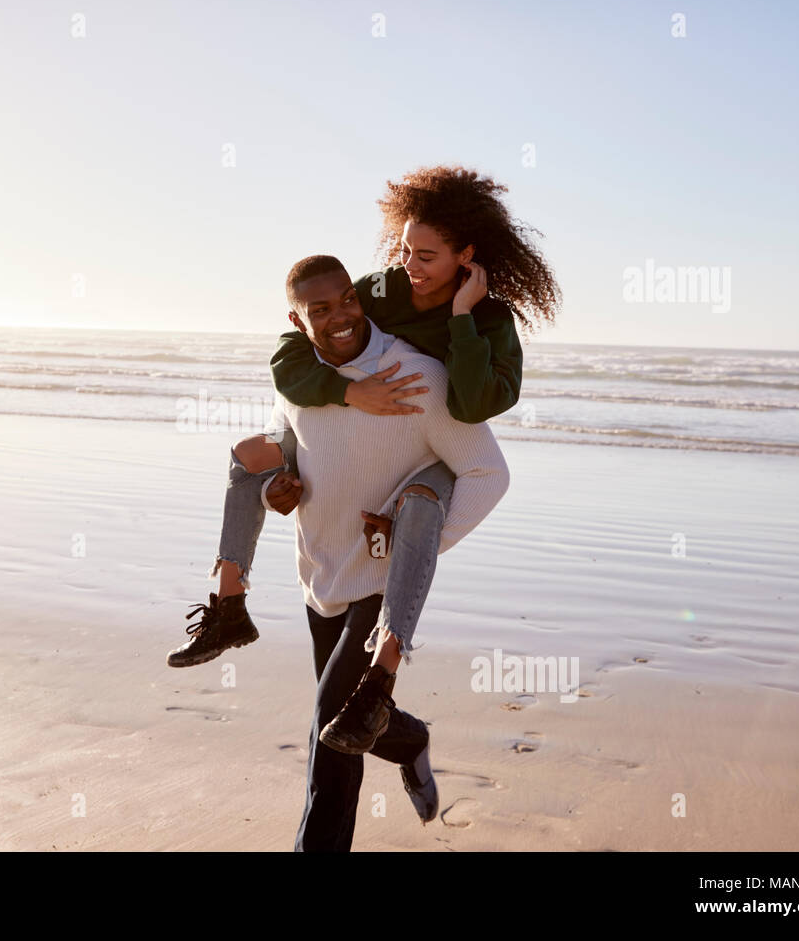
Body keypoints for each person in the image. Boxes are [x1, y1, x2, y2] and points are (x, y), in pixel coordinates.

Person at [167, 166, 561, 746]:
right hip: (360, 472)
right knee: (247, 456)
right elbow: (296, 346)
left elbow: (476, 404)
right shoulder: (381, 291)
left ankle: (384, 680)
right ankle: (229, 604)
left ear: (467, 256)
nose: (410, 266)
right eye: (405, 250)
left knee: (422, 504)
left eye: (427, 256)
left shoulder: (489, 319)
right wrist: (347, 397)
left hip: (438, 448)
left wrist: (460, 319)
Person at [258, 255, 509, 849]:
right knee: (349, 728)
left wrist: (414, 558)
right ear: (296, 319)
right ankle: (407, 738)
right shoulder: (299, 375)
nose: (341, 316)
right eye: (320, 309)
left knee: (329, 740)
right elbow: (283, 442)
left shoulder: (415, 375)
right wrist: (276, 488)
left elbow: (487, 472)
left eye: (347, 298)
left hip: (377, 586)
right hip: (320, 574)